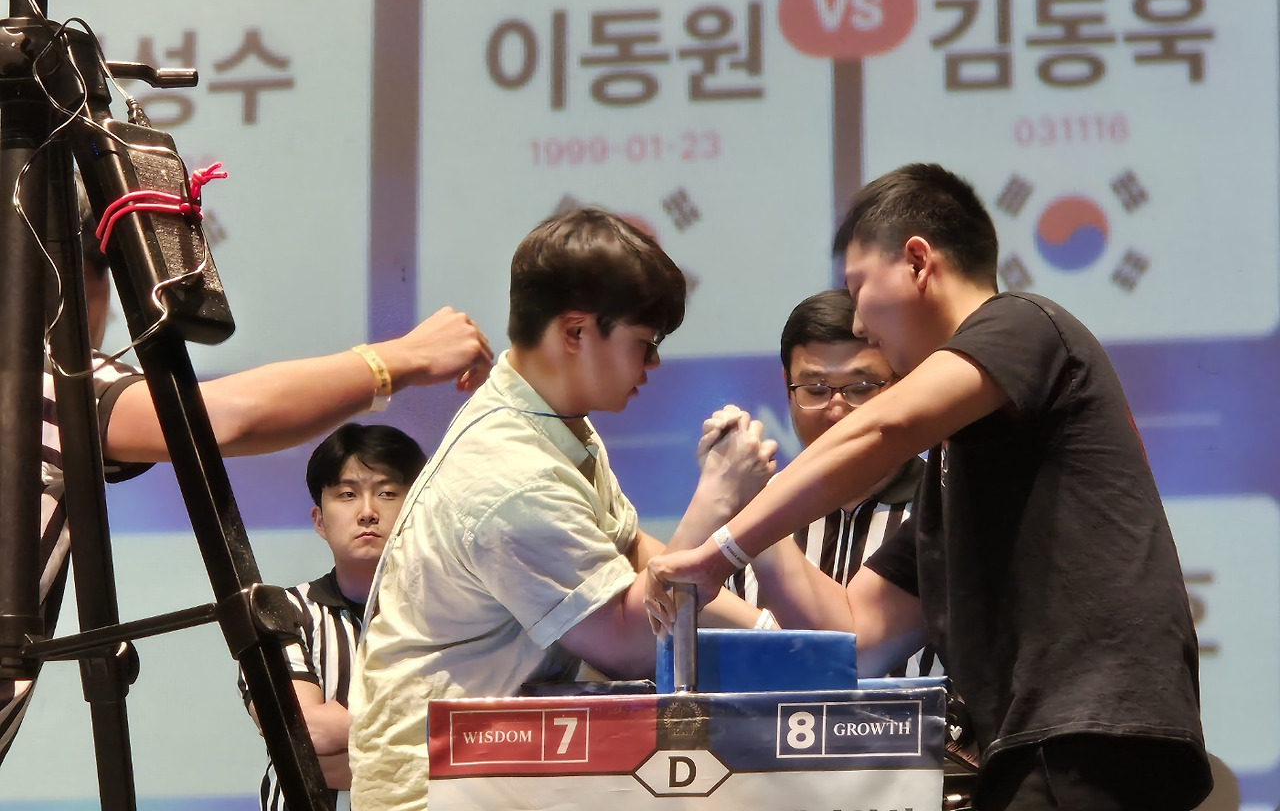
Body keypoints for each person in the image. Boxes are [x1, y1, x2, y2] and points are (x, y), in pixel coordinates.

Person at [647, 163, 1213, 811]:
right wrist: (744, 516)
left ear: (918, 262)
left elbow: (881, 428)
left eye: (859, 287)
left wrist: (722, 551)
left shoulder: (1023, 323)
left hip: (1089, 732)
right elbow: (857, 636)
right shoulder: (960, 461)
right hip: (1034, 745)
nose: (861, 323)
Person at [0, 219, 494, 764]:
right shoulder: (34, 383)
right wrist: (402, 358)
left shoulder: (459, 614)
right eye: (102, 291)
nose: (107, 320)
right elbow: (226, 418)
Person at [349, 207, 776, 811]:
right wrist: (716, 500)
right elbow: (627, 641)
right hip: (438, 788)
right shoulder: (512, 476)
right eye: (645, 343)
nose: (653, 365)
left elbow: (631, 553)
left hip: (499, 766)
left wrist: (766, 633)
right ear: (575, 332)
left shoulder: (549, 417)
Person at [728, 288, 938, 676]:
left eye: (861, 389)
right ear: (786, 385)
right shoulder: (750, 507)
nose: (837, 411)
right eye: (815, 390)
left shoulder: (942, 508)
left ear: (902, 384)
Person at [241, 423, 427, 811]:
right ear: (320, 521)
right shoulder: (283, 611)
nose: (368, 512)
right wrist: (425, 730)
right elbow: (301, 735)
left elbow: (482, 735)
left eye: (387, 493)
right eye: (347, 494)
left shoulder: (455, 613)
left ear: (418, 513)